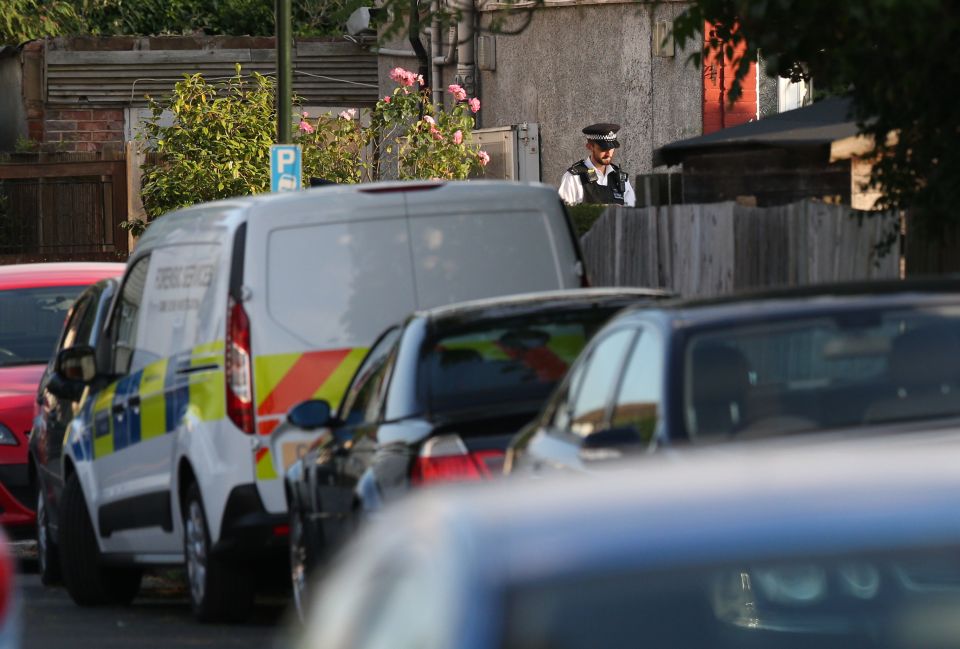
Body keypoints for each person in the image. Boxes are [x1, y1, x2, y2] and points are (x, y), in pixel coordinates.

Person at [558, 123, 636, 207]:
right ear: (590, 147)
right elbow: (562, 215)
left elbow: (632, 213)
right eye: (603, 148)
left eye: (611, 148)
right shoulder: (574, 178)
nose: (608, 153)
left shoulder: (621, 179)